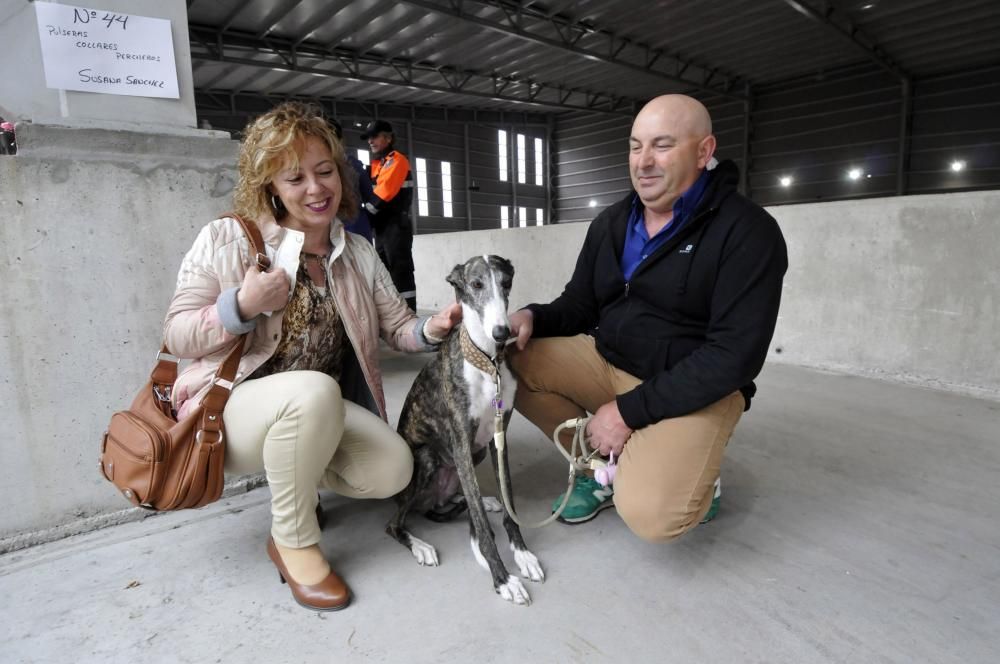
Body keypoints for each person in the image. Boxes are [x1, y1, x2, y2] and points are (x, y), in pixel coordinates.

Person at [163, 102, 461, 611]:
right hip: (230, 414)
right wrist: (242, 305)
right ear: (270, 186)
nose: (315, 188)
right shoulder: (229, 238)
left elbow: (398, 329)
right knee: (313, 389)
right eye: (294, 177)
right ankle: (293, 541)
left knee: (394, 470)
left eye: (325, 172)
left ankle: (296, 482)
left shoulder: (358, 253)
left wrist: (431, 328)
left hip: (315, 414)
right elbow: (177, 335)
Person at [508, 94, 788, 541]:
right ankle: (599, 469)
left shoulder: (747, 232)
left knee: (654, 518)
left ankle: (696, 476)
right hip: (611, 362)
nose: (644, 161)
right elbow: (580, 304)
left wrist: (628, 412)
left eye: (662, 145)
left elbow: (734, 355)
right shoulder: (614, 222)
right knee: (514, 359)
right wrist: (530, 316)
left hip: (695, 386)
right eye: (636, 146)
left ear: (704, 151)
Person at [361, 119, 417, 310]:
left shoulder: (397, 160)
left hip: (395, 226)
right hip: (382, 227)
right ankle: (392, 314)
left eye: (374, 136)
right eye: (368, 138)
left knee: (400, 270)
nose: (370, 141)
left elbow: (383, 193)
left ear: (388, 137)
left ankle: (408, 314)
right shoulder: (378, 165)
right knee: (385, 271)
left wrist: (362, 217)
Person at [327, 118, 374, 242]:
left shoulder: (353, 165)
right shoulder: (354, 165)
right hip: (352, 224)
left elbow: (370, 199)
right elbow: (369, 197)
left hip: (351, 226)